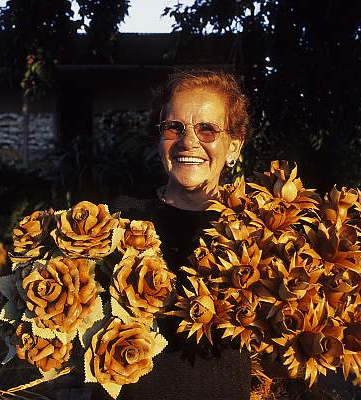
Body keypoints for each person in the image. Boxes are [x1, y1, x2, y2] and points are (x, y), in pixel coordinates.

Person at [101, 69, 252, 400]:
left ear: (233, 147)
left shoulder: (254, 232)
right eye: (174, 127)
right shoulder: (120, 221)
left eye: (207, 129)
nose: (188, 142)